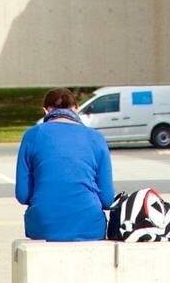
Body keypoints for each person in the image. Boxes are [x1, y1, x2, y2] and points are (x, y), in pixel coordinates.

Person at [13, 88, 115, 242]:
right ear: (76, 109)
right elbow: (107, 199)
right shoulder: (96, 138)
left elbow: (22, 195)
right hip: (89, 225)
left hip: (43, 225)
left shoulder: (32, 135)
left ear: (46, 110)